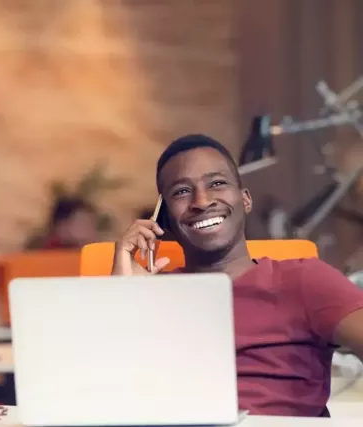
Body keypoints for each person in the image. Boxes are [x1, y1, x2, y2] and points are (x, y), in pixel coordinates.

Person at [111, 134, 363, 417]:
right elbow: (101, 393)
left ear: (245, 200)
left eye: (217, 183)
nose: (202, 201)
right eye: (182, 191)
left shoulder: (304, 280)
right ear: (164, 218)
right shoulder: (149, 293)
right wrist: (122, 298)